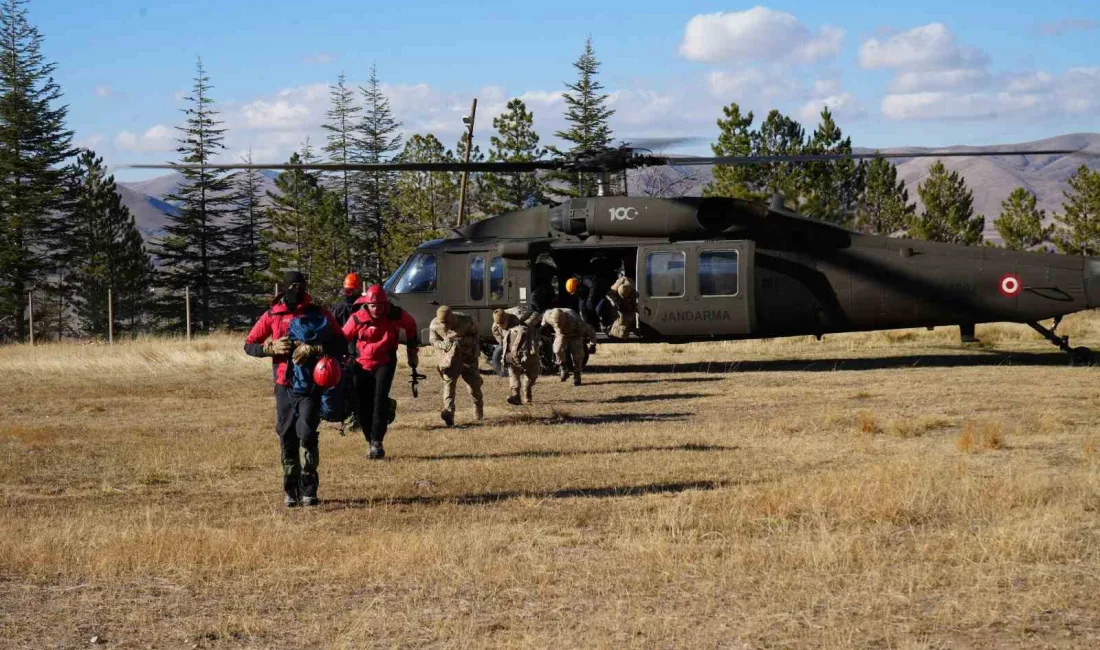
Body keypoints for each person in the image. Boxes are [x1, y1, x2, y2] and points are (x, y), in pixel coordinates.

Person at [244, 271, 347, 508]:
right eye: (294, 287)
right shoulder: (272, 315)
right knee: (287, 436)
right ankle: (291, 489)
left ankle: (309, 487)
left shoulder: (318, 313)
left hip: (312, 384)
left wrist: (317, 348)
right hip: (284, 385)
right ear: (285, 289)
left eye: (301, 287)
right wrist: (269, 349)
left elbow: (341, 342)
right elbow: (249, 345)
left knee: (308, 434)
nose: (297, 292)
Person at [342, 284, 419, 460]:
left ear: (386, 304)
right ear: (367, 304)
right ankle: (370, 440)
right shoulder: (357, 318)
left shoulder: (395, 314)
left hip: (385, 361)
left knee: (379, 400)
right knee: (363, 404)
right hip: (361, 364)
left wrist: (412, 351)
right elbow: (342, 337)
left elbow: (411, 326)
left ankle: (377, 441)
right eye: (373, 306)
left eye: (380, 305)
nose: (377, 309)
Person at [429, 305, 483, 426]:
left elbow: (475, 338)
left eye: (448, 322)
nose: (446, 326)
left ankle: (478, 406)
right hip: (451, 359)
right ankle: (449, 414)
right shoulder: (434, 324)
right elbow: (433, 341)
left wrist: (462, 341)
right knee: (449, 384)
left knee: (474, 386)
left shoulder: (466, 321)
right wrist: (444, 345)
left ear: (453, 318)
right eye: (443, 323)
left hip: (468, 358)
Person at [492, 306, 542, 405]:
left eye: (502, 323)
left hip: (529, 343)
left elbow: (537, 314)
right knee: (513, 370)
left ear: (506, 318)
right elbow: (502, 342)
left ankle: (527, 389)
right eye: (499, 324)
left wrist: (528, 324)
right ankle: (516, 396)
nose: (501, 326)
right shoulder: (495, 328)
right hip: (512, 347)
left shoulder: (519, 315)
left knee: (532, 374)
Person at [542, 306, 596, 386]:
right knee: (557, 349)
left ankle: (577, 375)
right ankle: (564, 369)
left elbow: (590, 330)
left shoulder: (576, 321)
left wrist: (592, 344)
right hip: (561, 334)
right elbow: (543, 325)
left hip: (575, 335)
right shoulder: (548, 315)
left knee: (578, 355)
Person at [607, 274, 639, 339]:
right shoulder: (618, 284)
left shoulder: (634, 291)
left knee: (626, 319)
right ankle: (612, 330)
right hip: (617, 302)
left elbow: (636, 306)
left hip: (628, 305)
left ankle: (623, 333)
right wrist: (613, 301)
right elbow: (609, 294)